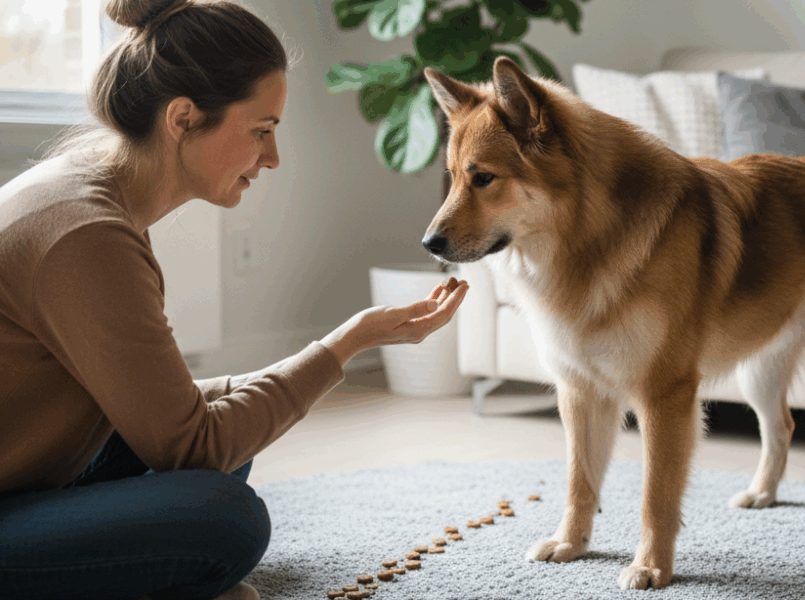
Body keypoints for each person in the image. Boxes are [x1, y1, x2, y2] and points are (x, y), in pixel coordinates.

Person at [0, 0, 469, 598]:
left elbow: (171, 417)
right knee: (226, 517)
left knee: (233, 451)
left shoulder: (90, 197)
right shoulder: (86, 235)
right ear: (184, 119)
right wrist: (343, 346)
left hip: (30, 472)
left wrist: (350, 342)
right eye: (262, 131)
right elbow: (191, 444)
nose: (271, 157)